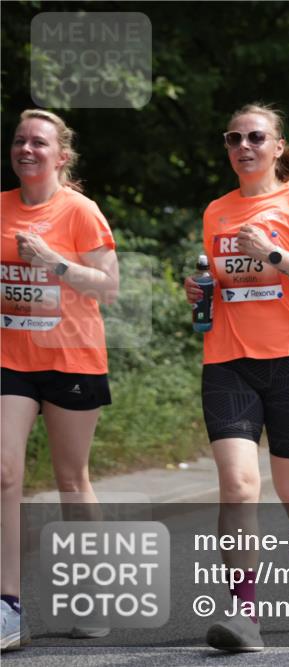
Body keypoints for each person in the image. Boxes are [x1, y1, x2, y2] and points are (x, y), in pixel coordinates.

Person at [183, 103, 289, 652]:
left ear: (277, 147)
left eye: (255, 137)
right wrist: (201, 292)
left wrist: (273, 253)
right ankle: (245, 614)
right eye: (233, 138)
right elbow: (222, 282)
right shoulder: (216, 212)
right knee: (238, 484)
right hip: (228, 359)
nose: (243, 146)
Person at [1, 109, 120, 650]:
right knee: (4, 474)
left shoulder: (80, 211)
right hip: (10, 360)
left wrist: (53, 261)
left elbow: (107, 288)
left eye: (39, 143)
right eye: (20, 141)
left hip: (71, 359)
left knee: (72, 479)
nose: (27, 149)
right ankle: (8, 606)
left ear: (62, 156)